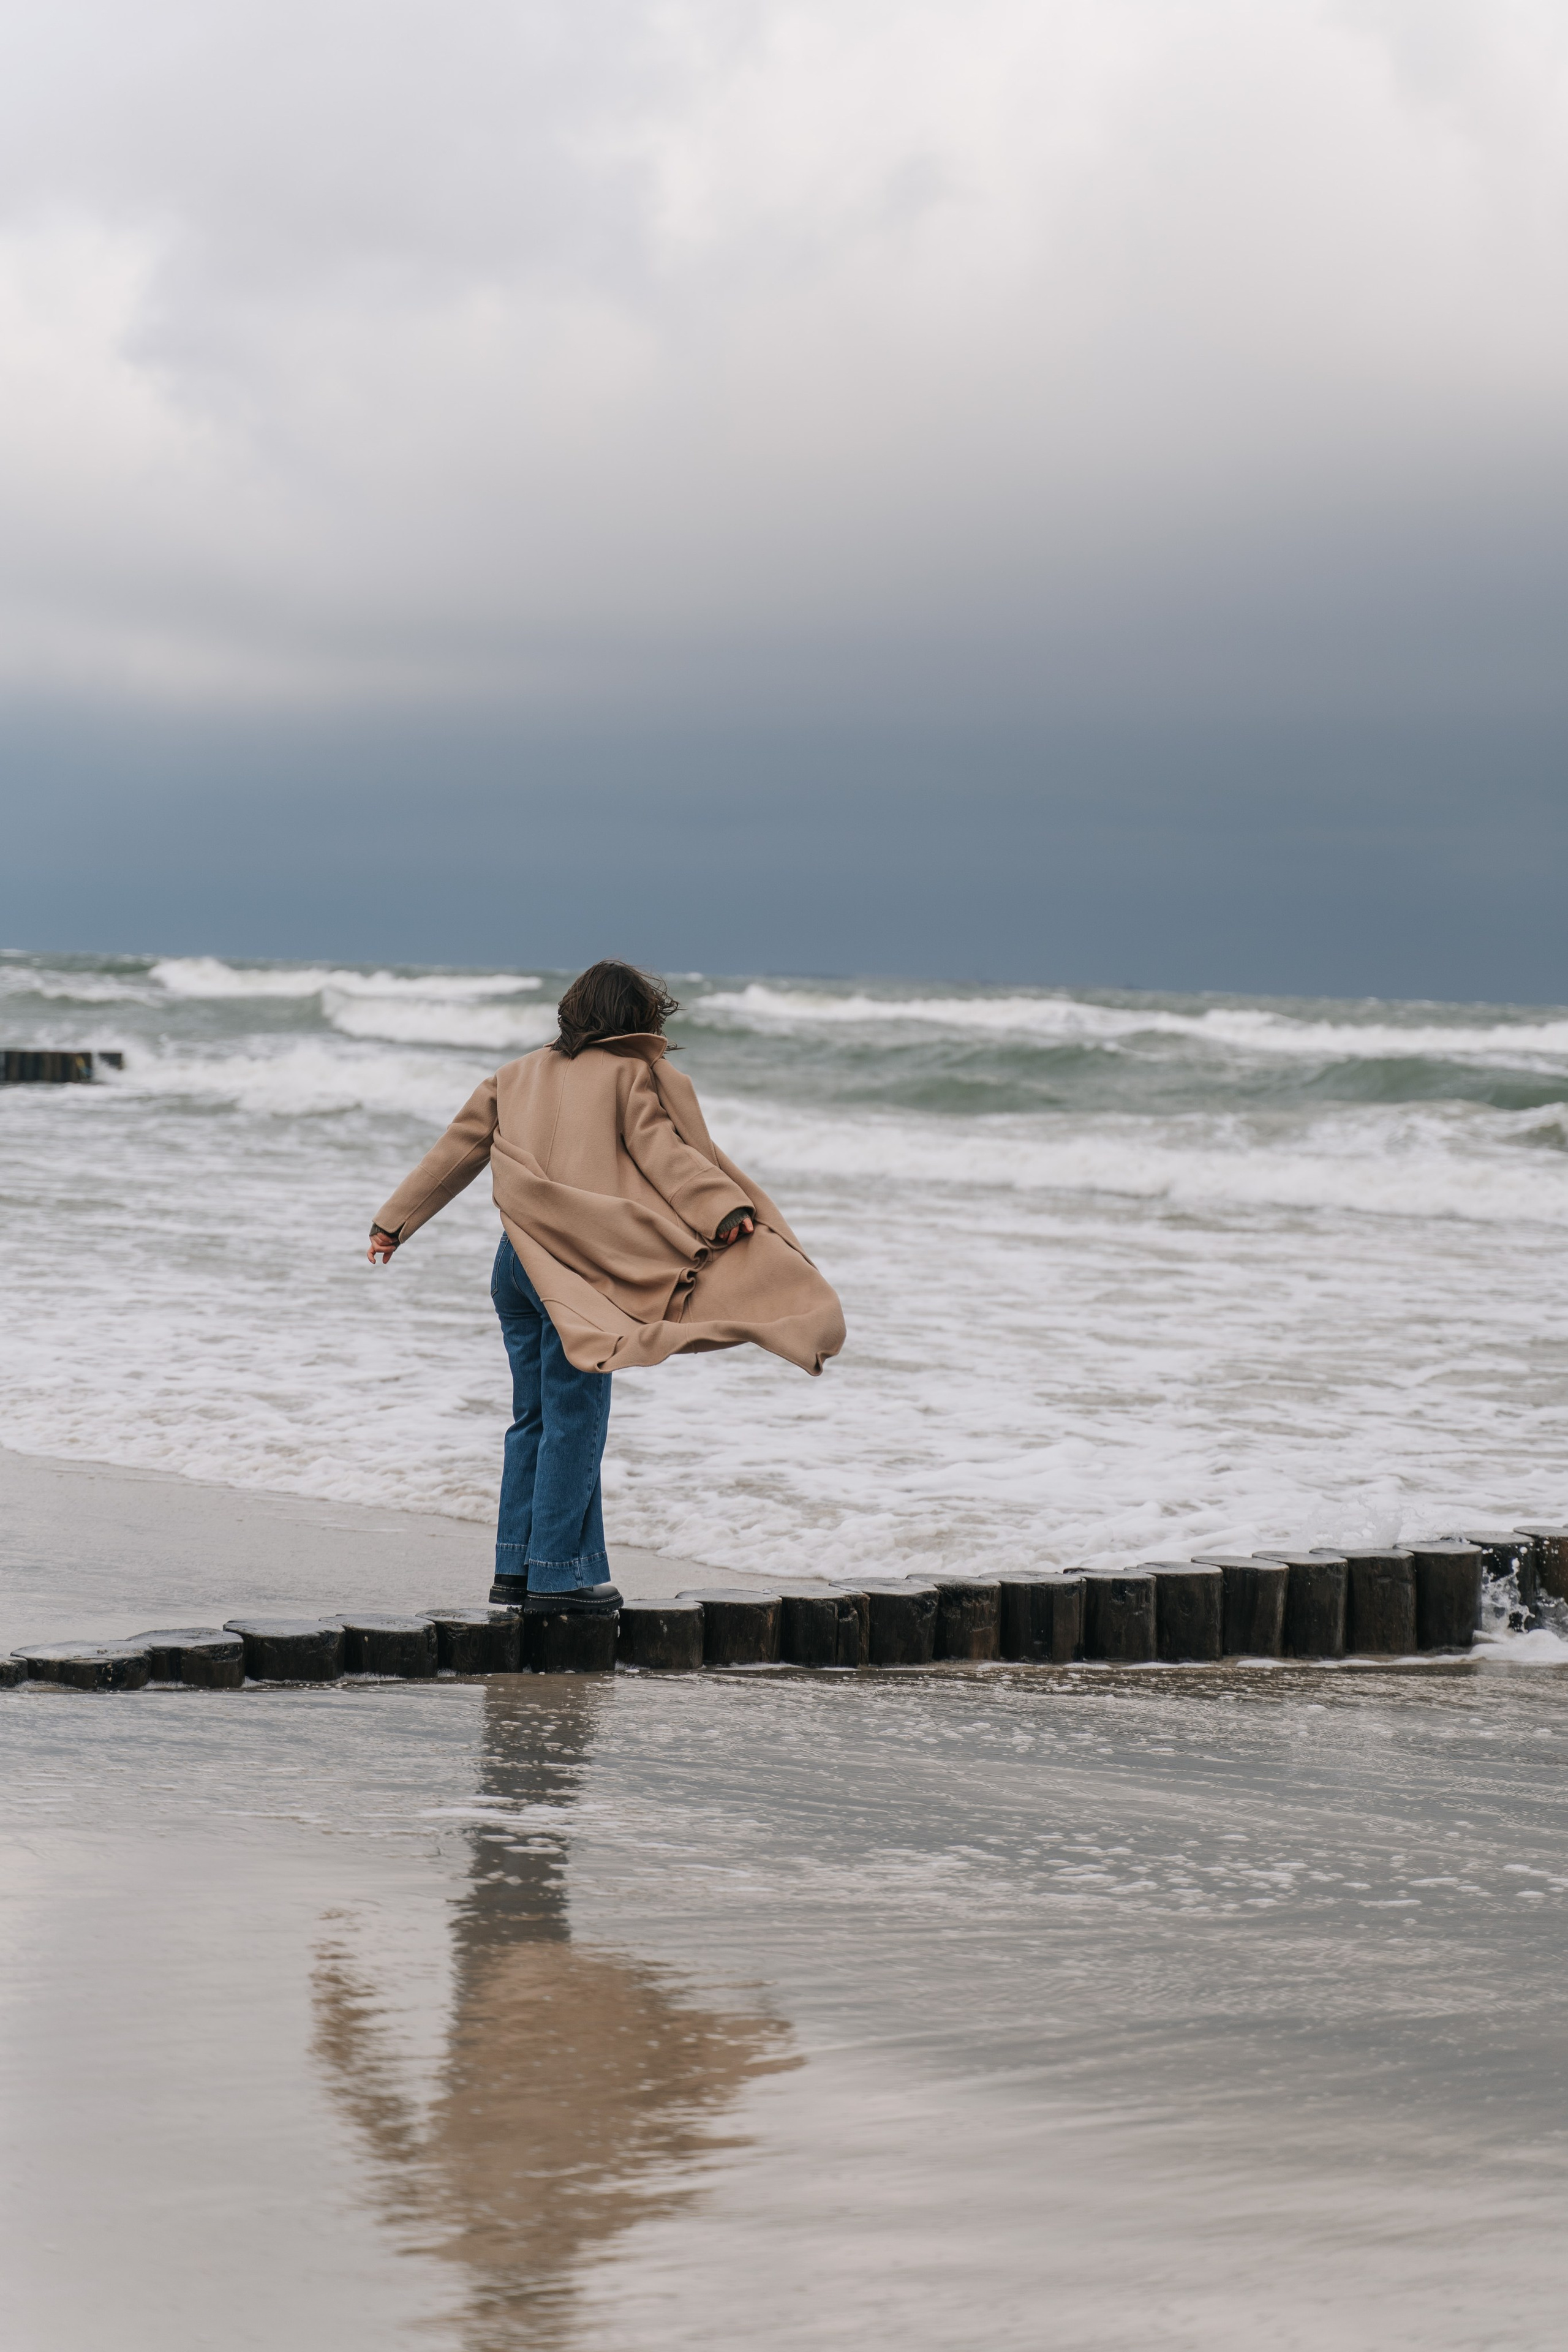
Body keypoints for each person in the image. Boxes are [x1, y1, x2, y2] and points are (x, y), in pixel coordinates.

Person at [368, 960, 845, 1614]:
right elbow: (665, 1154)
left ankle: (518, 1571)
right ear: (636, 1019)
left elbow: (455, 1152)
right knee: (574, 1420)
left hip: (515, 1265)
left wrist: (393, 1224)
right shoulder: (629, 1075)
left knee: (532, 1419)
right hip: (575, 1272)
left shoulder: (514, 1074)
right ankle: (557, 1578)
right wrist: (723, 1211)